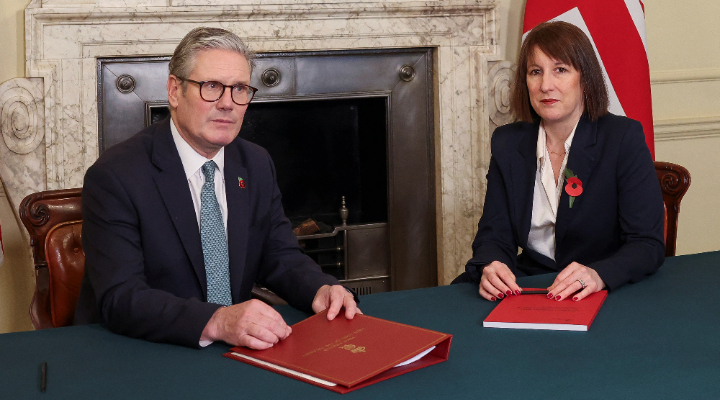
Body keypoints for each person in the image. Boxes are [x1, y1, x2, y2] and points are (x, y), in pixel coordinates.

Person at [74, 27, 359, 349]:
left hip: (235, 347)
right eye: (211, 87)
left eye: (239, 89)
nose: (228, 103)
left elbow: (278, 254)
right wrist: (218, 320)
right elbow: (120, 297)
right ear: (173, 91)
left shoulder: (255, 163)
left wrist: (320, 289)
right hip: (142, 349)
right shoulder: (116, 175)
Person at [453, 21, 664, 302]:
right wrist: (493, 265)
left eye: (560, 70)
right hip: (531, 282)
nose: (545, 85)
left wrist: (599, 275)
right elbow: (494, 233)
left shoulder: (622, 138)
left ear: (585, 79)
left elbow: (646, 244)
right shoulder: (507, 142)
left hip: (600, 285)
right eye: (535, 72)